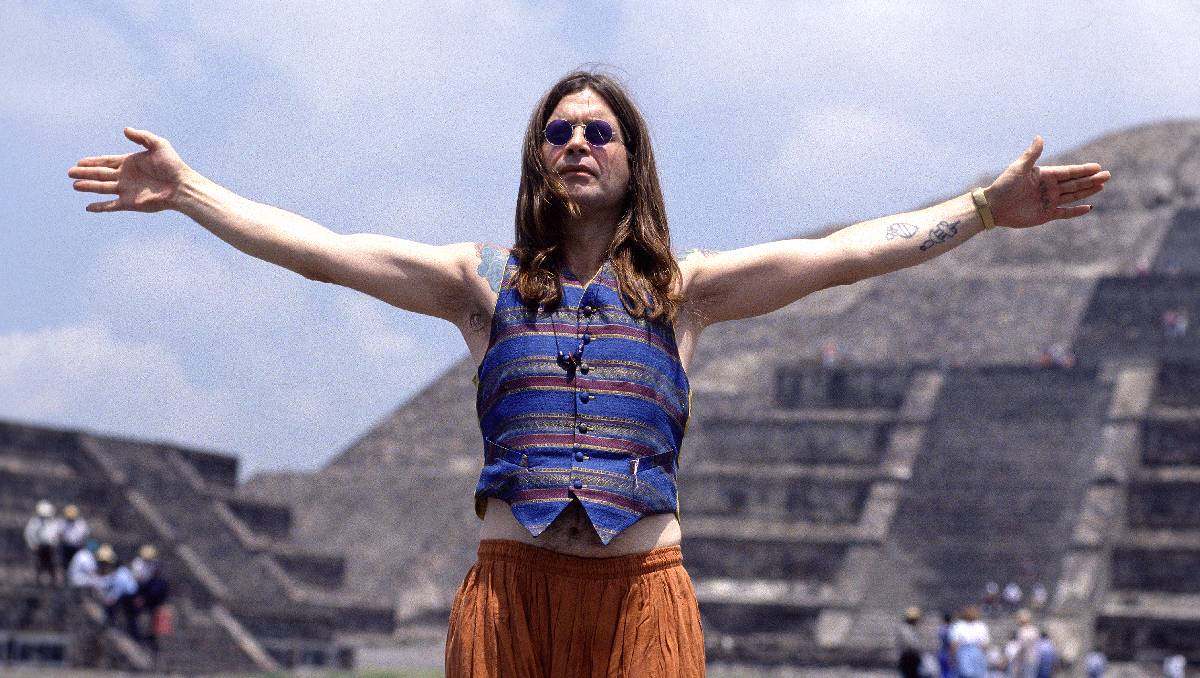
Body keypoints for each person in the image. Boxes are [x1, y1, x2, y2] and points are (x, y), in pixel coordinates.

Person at [69, 68, 1110, 678]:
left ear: (630, 157)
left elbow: (846, 254)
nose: (576, 141)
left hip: (641, 598)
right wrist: (192, 190)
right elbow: (321, 251)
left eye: (597, 130)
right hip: (509, 597)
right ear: (540, 159)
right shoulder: (477, 286)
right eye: (558, 131)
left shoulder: (685, 292)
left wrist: (982, 209)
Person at [94, 544, 142, 642]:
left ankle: (112, 626)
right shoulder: (120, 571)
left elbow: (118, 589)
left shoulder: (120, 574)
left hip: (130, 597)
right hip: (128, 595)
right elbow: (109, 581)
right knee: (130, 618)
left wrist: (110, 599)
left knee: (129, 617)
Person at [24, 500, 63, 587]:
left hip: (50, 547)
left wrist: (55, 543)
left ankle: (53, 581)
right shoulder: (34, 522)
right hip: (39, 546)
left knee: (51, 564)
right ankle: (38, 581)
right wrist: (32, 544)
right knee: (39, 564)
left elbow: (57, 533)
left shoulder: (54, 522)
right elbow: (29, 534)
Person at [950, 606, 991, 678]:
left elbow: (986, 644)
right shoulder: (959, 625)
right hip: (964, 652)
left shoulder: (980, 625)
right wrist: (953, 657)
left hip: (976, 651)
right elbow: (954, 644)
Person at [58, 504, 91, 573]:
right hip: (66, 547)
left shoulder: (81, 524)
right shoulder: (62, 523)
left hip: (77, 547)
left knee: (76, 566)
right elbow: (59, 534)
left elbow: (85, 535)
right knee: (65, 566)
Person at [896, 606, 924, 678]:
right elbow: (911, 645)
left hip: (911, 659)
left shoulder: (910, 629)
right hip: (909, 659)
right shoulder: (906, 630)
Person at [937, 612, 955, 678]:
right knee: (951, 672)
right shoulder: (952, 628)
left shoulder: (941, 628)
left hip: (942, 652)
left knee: (943, 671)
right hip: (949, 652)